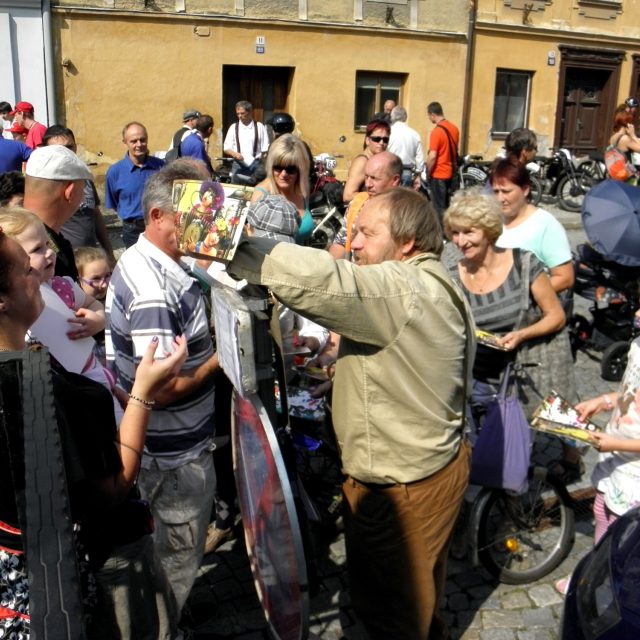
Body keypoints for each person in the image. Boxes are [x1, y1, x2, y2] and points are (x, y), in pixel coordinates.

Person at [228, 187, 474, 640]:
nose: (353, 243)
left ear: (407, 243)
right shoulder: (431, 279)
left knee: (393, 612)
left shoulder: (402, 287)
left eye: (366, 233)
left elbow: (328, 280)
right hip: (427, 471)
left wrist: (229, 244)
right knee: (418, 595)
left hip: (402, 489)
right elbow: (410, 363)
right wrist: (345, 377)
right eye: (351, 231)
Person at [0, 227, 187, 638]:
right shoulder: (33, 387)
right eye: (24, 269)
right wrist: (142, 394)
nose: (37, 272)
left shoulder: (28, 362)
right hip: (74, 573)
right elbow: (114, 487)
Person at [106, 159, 218, 614]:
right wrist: (221, 359)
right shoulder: (153, 289)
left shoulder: (148, 259)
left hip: (165, 450)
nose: (205, 225)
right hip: (174, 459)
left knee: (167, 555)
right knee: (175, 559)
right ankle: (167, 624)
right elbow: (160, 389)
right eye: (194, 216)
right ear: (157, 216)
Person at [490, 157, 580, 479]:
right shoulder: (494, 223)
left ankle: (572, 456)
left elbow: (565, 277)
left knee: (555, 391)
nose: (500, 198)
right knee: (513, 392)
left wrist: (527, 293)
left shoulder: (545, 225)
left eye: (507, 191)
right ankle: (514, 453)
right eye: (495, 191)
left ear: (526, 189)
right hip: (506, 326)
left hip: (541, 324)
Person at [443, 187, 565, 414]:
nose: (460, 241)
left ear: (489, 230)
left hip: (519, 383)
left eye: (469, 232)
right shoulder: (452, 273)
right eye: (455, 233)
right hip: (472, 382)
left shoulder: (523, 263)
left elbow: (556, 316)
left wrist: (521, 335)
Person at [0, 207, 122, 423]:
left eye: (48, 244)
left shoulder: (63, 287)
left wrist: (97, 320)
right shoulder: (15, 314)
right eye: (37, 249)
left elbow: (94, 304)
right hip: (58, 396)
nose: (49, 252)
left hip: (91, 372)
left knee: (117, 425)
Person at [554, 336, 640, 595]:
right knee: (601, 510)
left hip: (634, 469)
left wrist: (616, 443)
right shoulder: (638, 344)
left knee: (622, 532)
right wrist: (602, 402)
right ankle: (594, 571)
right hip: (617, 458)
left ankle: (607, 584)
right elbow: (630, 391)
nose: (637, 317)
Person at [42, 125, 115, 264]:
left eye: (69, 147)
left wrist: (109, 252)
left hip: (90, 259)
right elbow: (40, 227)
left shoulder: (84, 177)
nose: (66, 154)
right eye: (58, 150)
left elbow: (95, 214)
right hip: (63, 263)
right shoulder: (44, 184)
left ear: (75, 147)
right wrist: (58, 260)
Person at [23, 144, 94, 281]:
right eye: (82, 190)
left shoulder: (17, 234)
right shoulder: (45, 258)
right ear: (70, 192)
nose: (83, 198)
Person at [330, 150, 402, 259]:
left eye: (374, 178)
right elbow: (341, 242)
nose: (368, 184)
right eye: (366, 177)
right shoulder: (358, 203)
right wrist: (331, 264)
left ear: (395, 180)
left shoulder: (405, 212)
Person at [105, 122, 165, 248]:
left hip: (158, 225)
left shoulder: (161, 166)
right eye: (133, 141)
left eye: (142, 140)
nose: (139, 144)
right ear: (125, 143)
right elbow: (115, 203)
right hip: (132, 230)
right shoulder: (115, 172)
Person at [250, 133, 313, 244]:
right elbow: (255, 240)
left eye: (290, 169)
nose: (283, 174)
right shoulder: (261, 195)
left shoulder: (302, 189)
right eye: (278, 167)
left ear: (300, 169)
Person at [342, 119, 391, 203]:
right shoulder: (362, 161)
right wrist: (377, 196)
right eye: (377, 139)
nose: (381, 143)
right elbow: (348, 195)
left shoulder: (376, 160)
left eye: (385, 140)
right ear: (367, 140)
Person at [426, 101, 460, 220]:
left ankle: (440, 231)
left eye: (429, 116)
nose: (429, 119)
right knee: (448, 207)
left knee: (438, 209)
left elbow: (432, 156)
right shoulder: (454, 129)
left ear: (432, 115)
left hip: (438, 174)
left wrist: (428, 171)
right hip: (451, 174)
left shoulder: (436, 132)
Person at [223, 101, 269, 183]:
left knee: (255, 188)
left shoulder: (259, 126)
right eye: (238, 114)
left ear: (250, 112)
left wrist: (262, 164)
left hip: (256, 164)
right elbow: (226, 148)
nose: (239, 116)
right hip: (238, 165)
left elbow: (265, 149)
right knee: (236, 188)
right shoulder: (233, 127)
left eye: (242, 113)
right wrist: (235, 154)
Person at [387, 105, 424, 186]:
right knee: (404, 194)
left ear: (392, 117)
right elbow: (419, 156)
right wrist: (418, 174)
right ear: (405, 117)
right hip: (407, 171)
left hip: (391, 169)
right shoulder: (414, 134)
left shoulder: (388, 132)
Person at [608, 111, 640, 180]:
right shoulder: (625, 139)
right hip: (628, 176)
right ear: (628, 124)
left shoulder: (613, 137)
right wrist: (633, 136)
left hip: (618, 173)